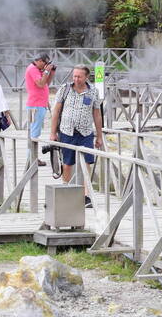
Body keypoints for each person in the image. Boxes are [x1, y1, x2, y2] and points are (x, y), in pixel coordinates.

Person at [50, 65, 104, 208]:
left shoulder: (93, 92)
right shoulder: (65, 89)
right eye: (74, 76)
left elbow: (97, 114)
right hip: (67, 131)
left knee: (86, 163)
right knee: (67, 163)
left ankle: (86, 196)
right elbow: (56, 111)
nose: (76, 79)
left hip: (86, 132)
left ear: (86, 77)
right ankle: (66, 190)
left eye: (79, 76)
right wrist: (52, 132)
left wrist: (99, 135)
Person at [24, 53, 56, 166]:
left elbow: (46, 83)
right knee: (34, 133)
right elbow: (41, 84)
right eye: (45, 64)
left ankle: (32, 158)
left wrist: (51, 72)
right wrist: (46, 71)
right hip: (35, 105)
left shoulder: (38, 69)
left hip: (40, 104)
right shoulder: (33, 69)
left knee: (35, 132)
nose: (45, 66)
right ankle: (32, 159)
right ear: (40, 61)